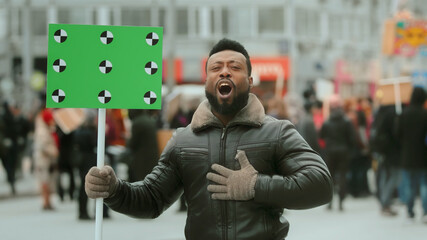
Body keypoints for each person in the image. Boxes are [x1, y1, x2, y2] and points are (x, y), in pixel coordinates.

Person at [85, 38, 333, 239]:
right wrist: (114, 190)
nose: (225, 72)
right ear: (206, 82)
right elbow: (151, 199)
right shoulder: (184, 140)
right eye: (216, 68)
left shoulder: (277, 132)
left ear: (249, 81)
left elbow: (320, 185)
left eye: (235, 67)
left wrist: (255, 186)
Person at [320, 95, 357, 211]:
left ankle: (329, 201)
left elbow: (321, 135)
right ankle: (341, 202)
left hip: (330, 151)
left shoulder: (327, 121)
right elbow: (352, 138)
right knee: (342, 176)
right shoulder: (346, 121)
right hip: (343, 151)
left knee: (330, 177)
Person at [397, 87, 427, 222]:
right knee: (424, 184)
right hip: (423, 154)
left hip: (407, 154)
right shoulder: (425, 114)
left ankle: (410, 210)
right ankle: (425, 211)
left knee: (408, 184)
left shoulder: (404, 114)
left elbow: (397, 134)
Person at [370, 104, 401, 216]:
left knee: (384, 176)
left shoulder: (378, 118)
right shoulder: (391, 116)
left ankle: (384, 201)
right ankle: (385, 202)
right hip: (391, 154)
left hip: (381, 153)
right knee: (394, 176)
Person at [33, 108, 59, 210]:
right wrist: (54, 151)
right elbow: (43, 146)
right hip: (43, 161)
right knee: (45, 181)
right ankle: (46, 201)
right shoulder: (42, 131)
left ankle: (48, 201)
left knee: (48, 181)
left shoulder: (47, 128)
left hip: (48, 160)